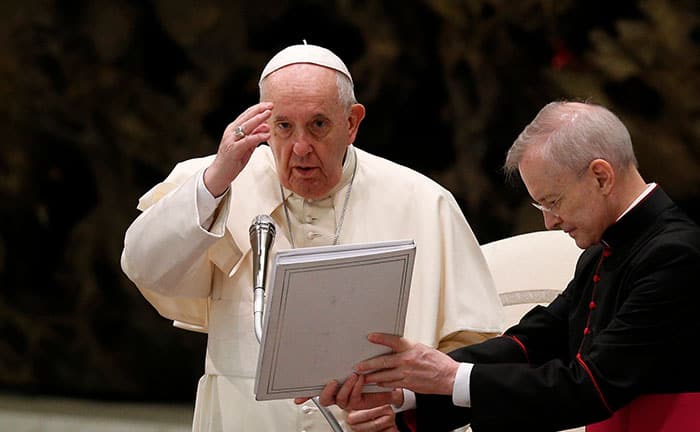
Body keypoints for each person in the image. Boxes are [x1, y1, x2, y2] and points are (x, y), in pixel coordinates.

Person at [120, 42, 503, 431]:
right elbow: (144, 266)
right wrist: (216, 181)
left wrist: (410, 409)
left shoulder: (424, 201)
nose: (300, 148)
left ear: (352, 123)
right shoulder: (216, 181)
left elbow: (473, 348)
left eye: (319, 125)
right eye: (283, 126)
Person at [319, 101, 700, 431]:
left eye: (553, 201)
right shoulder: (601, 253)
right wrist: (410, 388)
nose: (550, 222)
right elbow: (533, 342)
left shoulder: (675, 254)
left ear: (601, 176)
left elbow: (592, 385)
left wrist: (450, 377)